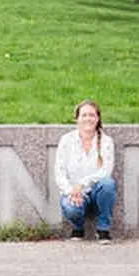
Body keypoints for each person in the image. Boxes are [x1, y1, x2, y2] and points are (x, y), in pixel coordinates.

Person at [54, 99, 116, 241]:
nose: (88, 118)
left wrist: (82, 184)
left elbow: (105, 171)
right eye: (84, 115)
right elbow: (59, 172)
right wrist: (72, 192)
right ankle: (78, 227)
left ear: (98, 118)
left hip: (95, 192)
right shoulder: (66, 140)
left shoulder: (106, 142)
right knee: (71, 208)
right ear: (76, 119)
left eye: (92, 115)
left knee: (108, 184)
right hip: (73, 193)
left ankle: (103, 229)